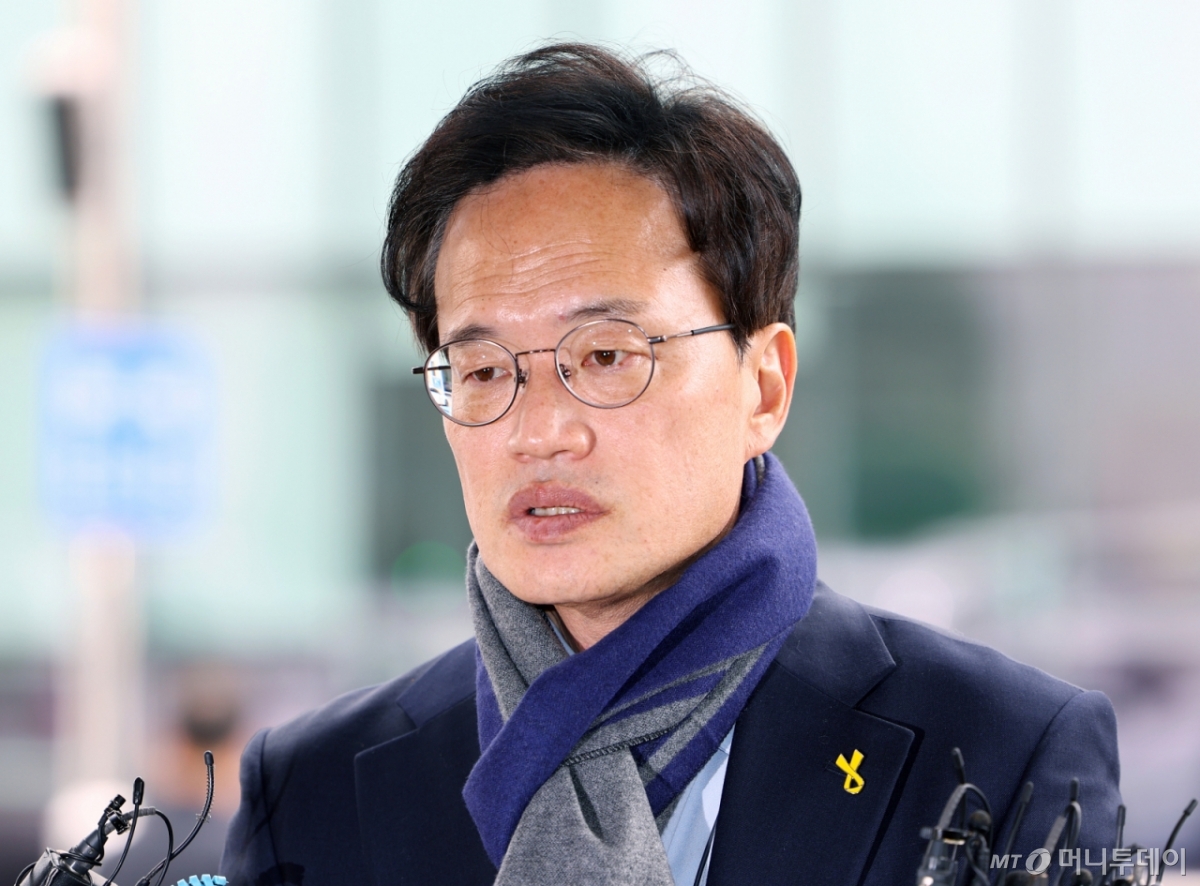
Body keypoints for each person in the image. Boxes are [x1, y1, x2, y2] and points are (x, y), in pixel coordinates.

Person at [222, 44, 1120, 886]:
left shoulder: (1001, 755)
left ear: (763, 387)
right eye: (486, 369)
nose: (540, 433)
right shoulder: (310, 790)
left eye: (606, 356)